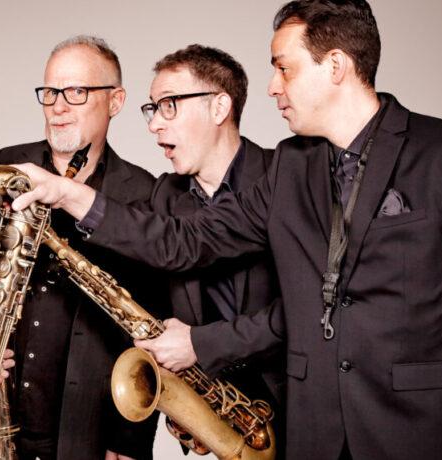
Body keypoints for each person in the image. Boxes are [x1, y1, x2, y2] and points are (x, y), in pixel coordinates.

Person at [11, 1, 442, 458]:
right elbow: (184, 242)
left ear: (336, 65)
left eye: (284, 68)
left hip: (426, 436)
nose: (272, 87)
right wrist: (69, 194)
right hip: (313, 438)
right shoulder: (290, 167)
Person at [0, 36, 162, 460]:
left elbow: (152, 324)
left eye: (77, 91)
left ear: (116, 101)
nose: (58, 106)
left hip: (89, 426)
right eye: (50, 92)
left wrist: (131, 438)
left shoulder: (146, 193)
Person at [139, 44, 284, 454]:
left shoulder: (284, 177)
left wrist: (202, 344)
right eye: (153, 109)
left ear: (220, 106)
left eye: (169, 105)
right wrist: (186, 405)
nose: (154, 124)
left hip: (300, 409)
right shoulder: (164, 195)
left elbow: (309, 310)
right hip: (224, 422)